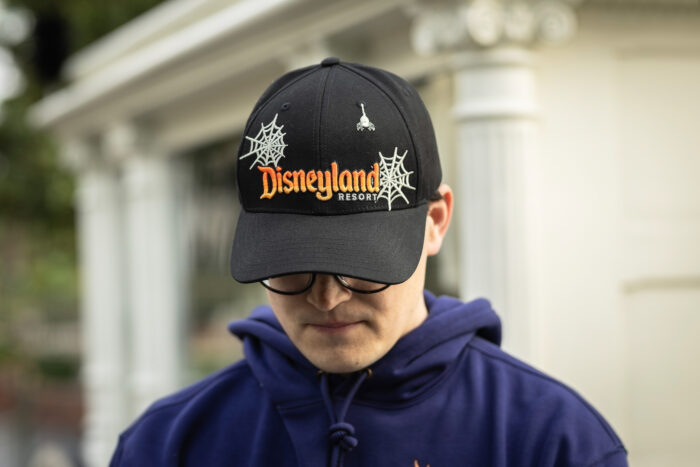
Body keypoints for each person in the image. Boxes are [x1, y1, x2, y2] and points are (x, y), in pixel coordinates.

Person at [110, 58, 627, 466]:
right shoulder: (166, 444)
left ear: (435, 221)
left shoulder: (553, 441)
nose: (327, 298)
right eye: (293, 264)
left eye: (359, 263)